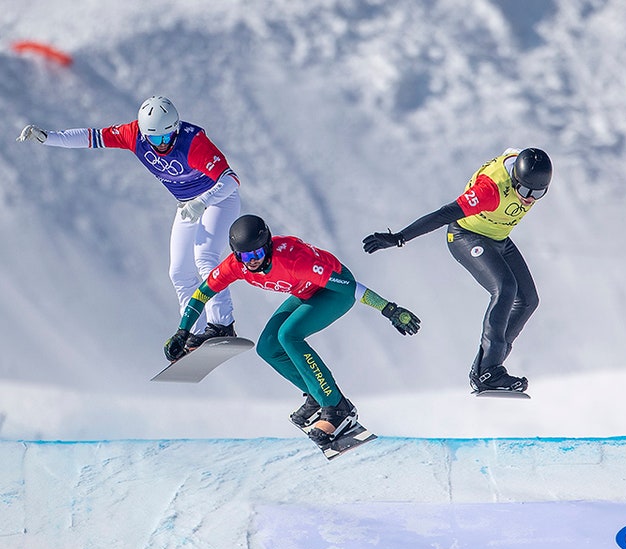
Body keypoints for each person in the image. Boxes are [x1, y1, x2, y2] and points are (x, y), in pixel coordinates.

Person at [164, 214, 421, 449]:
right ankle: (316, 395)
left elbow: (350, 287)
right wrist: (182, 331)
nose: (251, 261)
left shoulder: (293, 260)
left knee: (288, 335)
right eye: (244, 256)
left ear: (267, 246)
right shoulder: (236, 265)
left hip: (334, 293)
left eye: (256, 253)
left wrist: (389, 309)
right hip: (306, 292)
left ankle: (337, 407)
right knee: (267, 347)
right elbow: (201, 294)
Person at [17, 95, 241, 348]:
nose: (163, 144)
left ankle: (222, 324)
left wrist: (203, 201)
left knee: (204, 257)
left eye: (168, 136)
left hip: (219, 201)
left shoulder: (193, 143)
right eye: (156, 139)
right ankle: (195, 333)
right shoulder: (133, 134)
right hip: (188, 206)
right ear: (145, 134)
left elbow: (231, 180)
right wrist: (49, 138)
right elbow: (91, 137)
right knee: (178, 272)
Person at [362, 147, 552, 394]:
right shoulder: (489, 191)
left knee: (527, 301)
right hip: (466, 237)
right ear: (515, 178)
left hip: (498, 238)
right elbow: (444, 214)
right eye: (525, 190)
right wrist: (400, 237)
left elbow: (512, 152)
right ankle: (489, 370)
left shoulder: (524, 166)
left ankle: (486, 369)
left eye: (538, 193)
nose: (529, 198)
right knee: (505, 289)